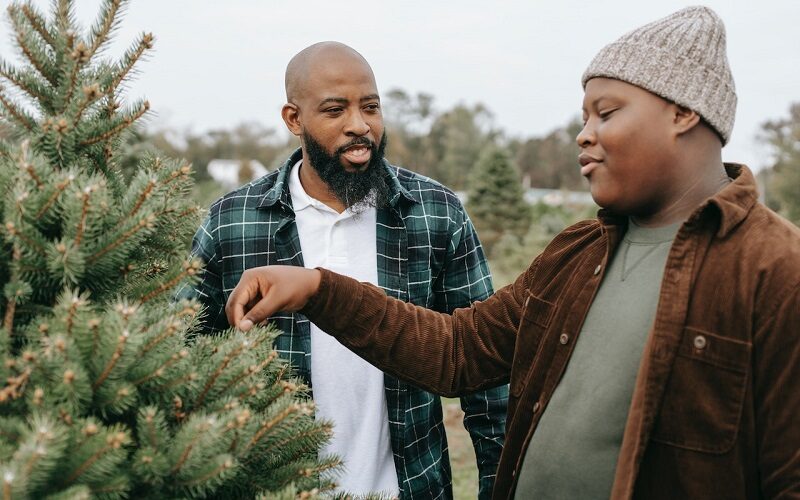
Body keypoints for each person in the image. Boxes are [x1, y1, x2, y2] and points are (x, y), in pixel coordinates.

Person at [224, 7, 800, 500]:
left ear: (683, 113)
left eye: (607, 112)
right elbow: (458, 351)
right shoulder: (579, 254)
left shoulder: (775, 271)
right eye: (583, 117)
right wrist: (319, 290)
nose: (583, 134)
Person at [184, 42, 508, 498]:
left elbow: (488, 377)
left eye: (370, 107)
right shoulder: (231, 223)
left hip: (411, 488)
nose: (360, 126)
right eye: (335, 110)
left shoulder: (436, 214)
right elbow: (182, 366)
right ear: (294, 119)